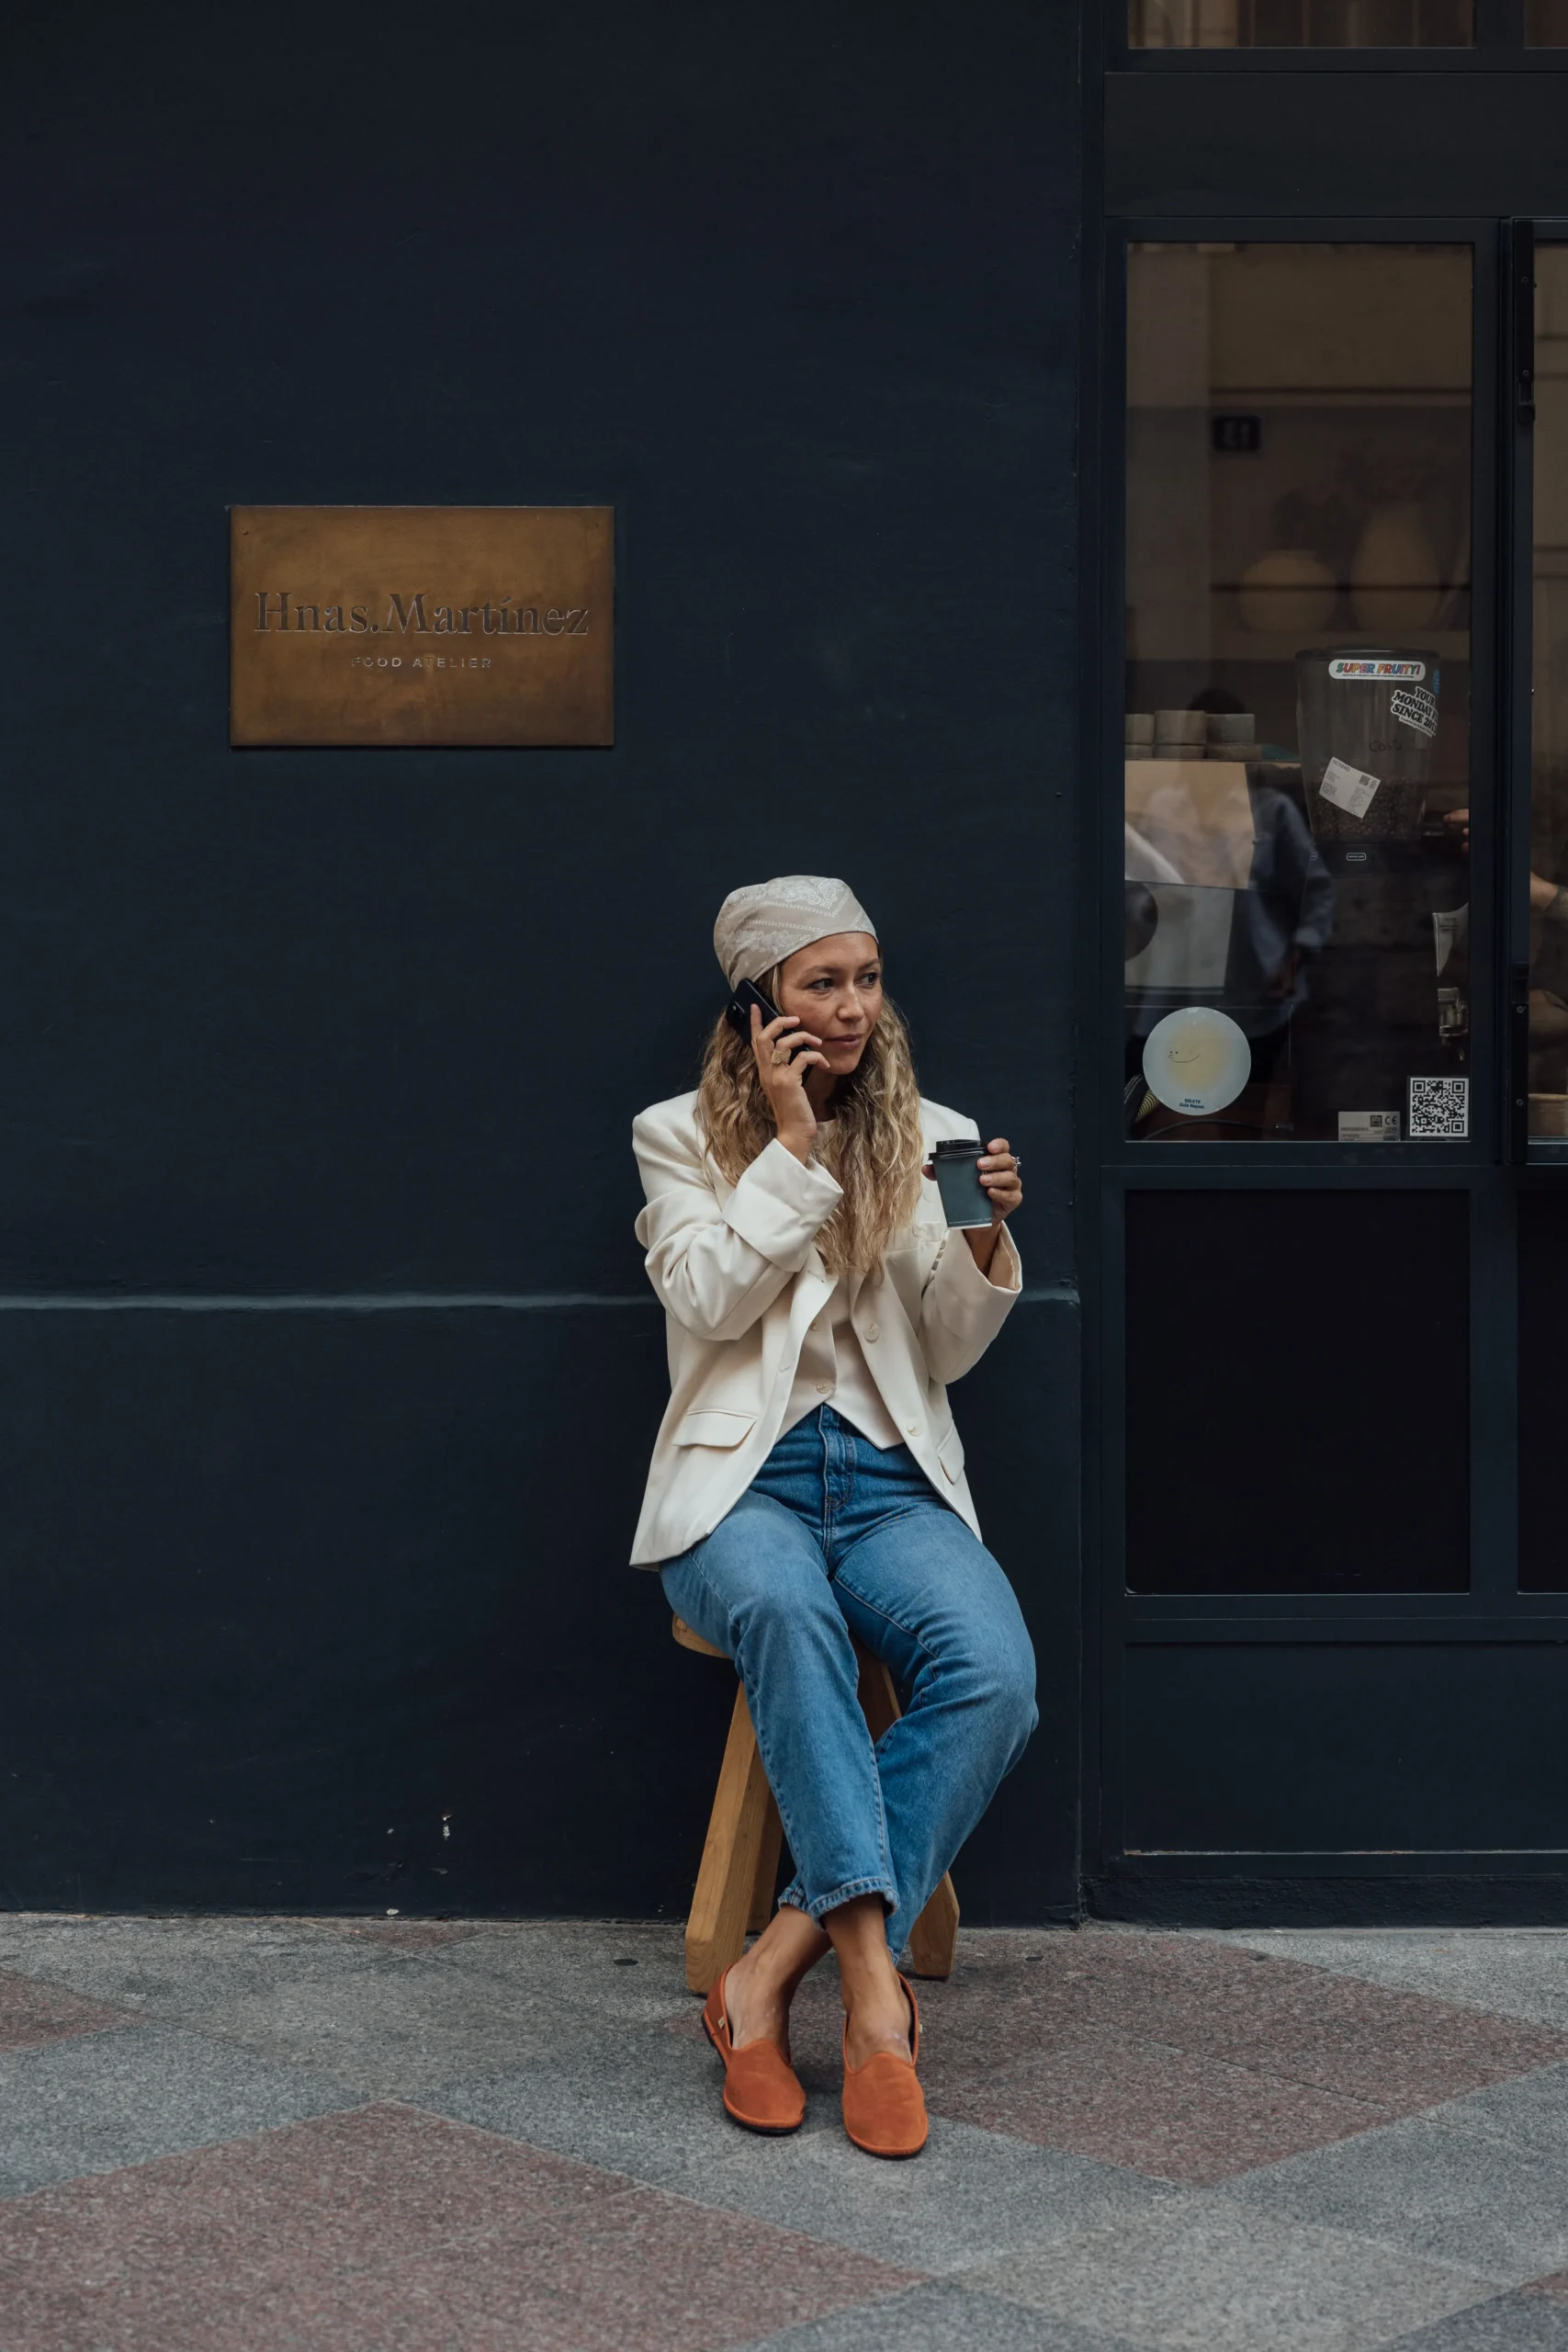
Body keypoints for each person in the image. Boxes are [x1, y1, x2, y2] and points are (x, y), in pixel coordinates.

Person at [631, 876, 1037, 2160]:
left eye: (865, 978)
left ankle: (771, 1971)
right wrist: (794, 1147)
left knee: (995, 1678)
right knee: (788, 1623)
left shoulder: (935, 1134)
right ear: (758, 1005)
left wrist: (982, 1242)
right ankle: (874, 2004)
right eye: (821, 982)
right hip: (737, 1488)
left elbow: (950, 1352)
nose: (853, 1005)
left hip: (887, 1485)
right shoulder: (678, 1138)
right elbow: (705, 1299)